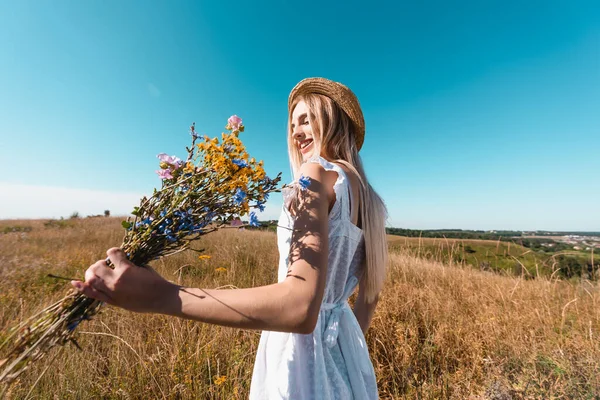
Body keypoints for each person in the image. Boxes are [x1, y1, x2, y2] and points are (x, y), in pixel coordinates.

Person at [72, 77, 388, 399]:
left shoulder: (315, 175)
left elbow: (300, 307)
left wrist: (161, 295)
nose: (295, 132)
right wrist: (334, 350)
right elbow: (367, 298)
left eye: (306, 119)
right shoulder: (370, 200)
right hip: (346, 363)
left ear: (332, 120)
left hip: (298, 362)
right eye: (292, 123)